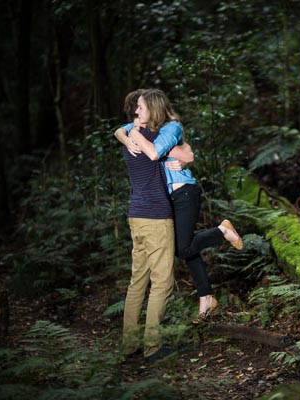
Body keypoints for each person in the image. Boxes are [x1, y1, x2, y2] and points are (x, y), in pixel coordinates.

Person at [115, 88, 243, 323]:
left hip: (183, 192)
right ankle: (206, 297)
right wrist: (124, 134)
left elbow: (155, 153)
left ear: (152, 108)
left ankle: (221, 231)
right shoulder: (147, 130)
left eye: (140, 108)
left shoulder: (170, 128)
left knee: (182, 248)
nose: (136, 113)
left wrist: (184, 156)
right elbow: (121, 129)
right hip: (166, 199)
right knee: (185, 246)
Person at [119, 89, 176, 363]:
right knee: (162, 283)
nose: (138, 112)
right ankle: (152, 348)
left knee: (137, 282)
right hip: (156, 217)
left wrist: (125, 131)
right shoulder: (151, 137)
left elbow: (123, 129)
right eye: (138, 108)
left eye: (141, 108)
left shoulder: (128, 138)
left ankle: (129, 346)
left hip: (136, 216)